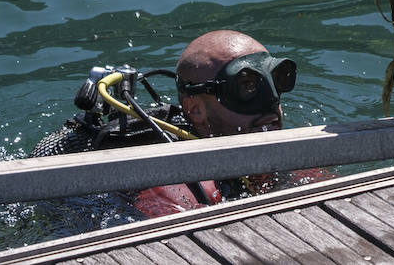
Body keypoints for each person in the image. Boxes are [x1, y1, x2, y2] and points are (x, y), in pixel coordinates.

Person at [132, 29, 320, 216]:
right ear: (195, 109)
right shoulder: (176, 190)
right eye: (246, 86)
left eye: (274, 79)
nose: (271, 102)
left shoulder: (280, 161)